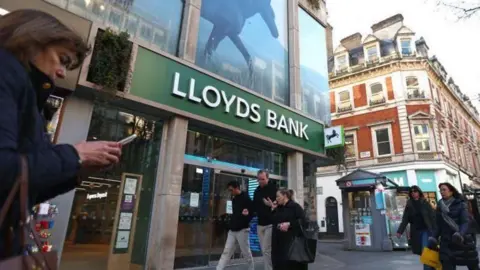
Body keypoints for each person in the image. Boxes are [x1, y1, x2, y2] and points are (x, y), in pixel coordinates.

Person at [0, 10, 122, 258]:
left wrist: (78, 172)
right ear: (31, 41)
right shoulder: (6, 72)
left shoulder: (29, 97)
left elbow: (22, 191)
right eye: (62, 59)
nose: (62, 73)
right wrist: (74, 155)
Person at [429, 183, 478, 270]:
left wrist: (459, 234)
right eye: (440, 190)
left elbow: (465, 222)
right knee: (447, 265)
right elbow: (438, 225)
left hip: (462, 240)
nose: (442, 192)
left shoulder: (461, 204)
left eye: (444, 190)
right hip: (446, 241)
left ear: (451, 191)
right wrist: (434, 237)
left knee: (471, 264)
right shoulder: (440, 205)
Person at [217, 181, 254, 270]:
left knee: (246, 252)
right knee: (227, 251)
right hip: (233, 229)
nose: (230, 192)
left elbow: (252, 213)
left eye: (231, 190)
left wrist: (246, 216)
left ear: (237, 188)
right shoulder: (234, 199)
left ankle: (251, 268)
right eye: (229, 190)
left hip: (243, 229)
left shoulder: (246, 198)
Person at [396, 185, 436, 270]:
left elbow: (432, 217)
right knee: (422, 252)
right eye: (412, 192)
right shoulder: (409, 204)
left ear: (419, 192)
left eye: (415, 191)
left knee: (426, 252)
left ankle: (428, 268)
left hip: (426, 230)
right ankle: (431, 267)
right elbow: (405, 219)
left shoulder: (425, 202)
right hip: (416, 232)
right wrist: (400, 231)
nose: (414, 193)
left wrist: (436, 231)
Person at [269, 188, 307, 270]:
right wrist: (273, 210)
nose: (276, 199)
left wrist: (289, 224)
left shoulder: (295, 207)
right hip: (278, 245)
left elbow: (304, 221)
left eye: (278, 196)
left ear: (285, 196)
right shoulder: (278, 208)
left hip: (291, 245)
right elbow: (273, 222)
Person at [253, 169, 277, 270]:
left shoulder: (273, 188)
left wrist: (272, 204)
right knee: (265, 249)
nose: (260, 181)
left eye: (262, 179)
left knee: (266, 249)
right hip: (260, 223)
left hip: (270, 223)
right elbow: (254, 205)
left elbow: (278, 202)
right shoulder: (257, 190)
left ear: (267, 178)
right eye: (259, 179)